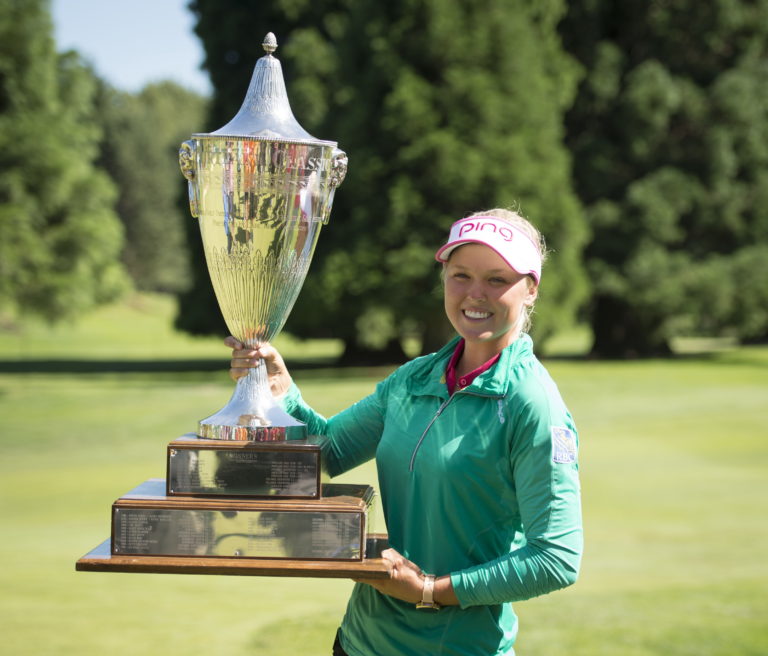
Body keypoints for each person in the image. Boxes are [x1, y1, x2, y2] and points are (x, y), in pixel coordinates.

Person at [227, 208, 583, 656]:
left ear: (530, 289)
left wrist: (430, 590)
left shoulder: (533, 403)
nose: (475, 294)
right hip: (360, 642)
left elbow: (557, 558)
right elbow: (328, 452)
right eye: (461, 275)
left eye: (497, 279)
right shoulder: (414, 379)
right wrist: (280, 391)